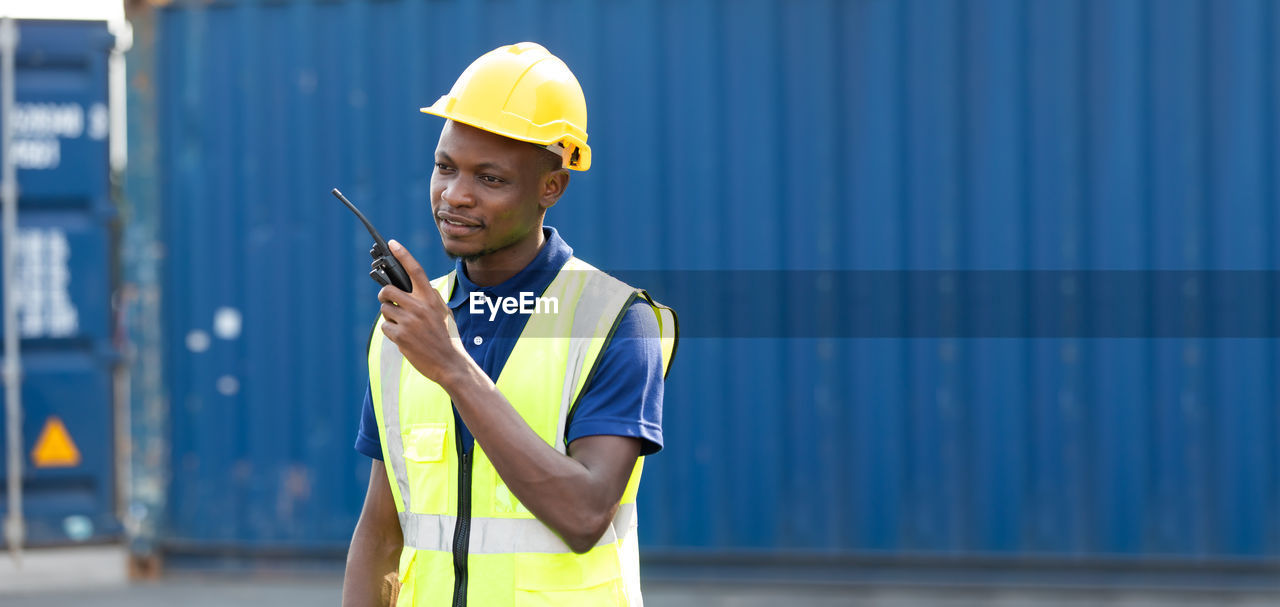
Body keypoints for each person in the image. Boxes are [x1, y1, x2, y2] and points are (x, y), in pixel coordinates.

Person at [341, 42, 677, 607]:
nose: (455, 195)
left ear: (552, 187)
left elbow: (585, 514)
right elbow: (382, 527)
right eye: (445, 167)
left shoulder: (618, 322)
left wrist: (451, 365)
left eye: (490, 179)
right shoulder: (409, 323)